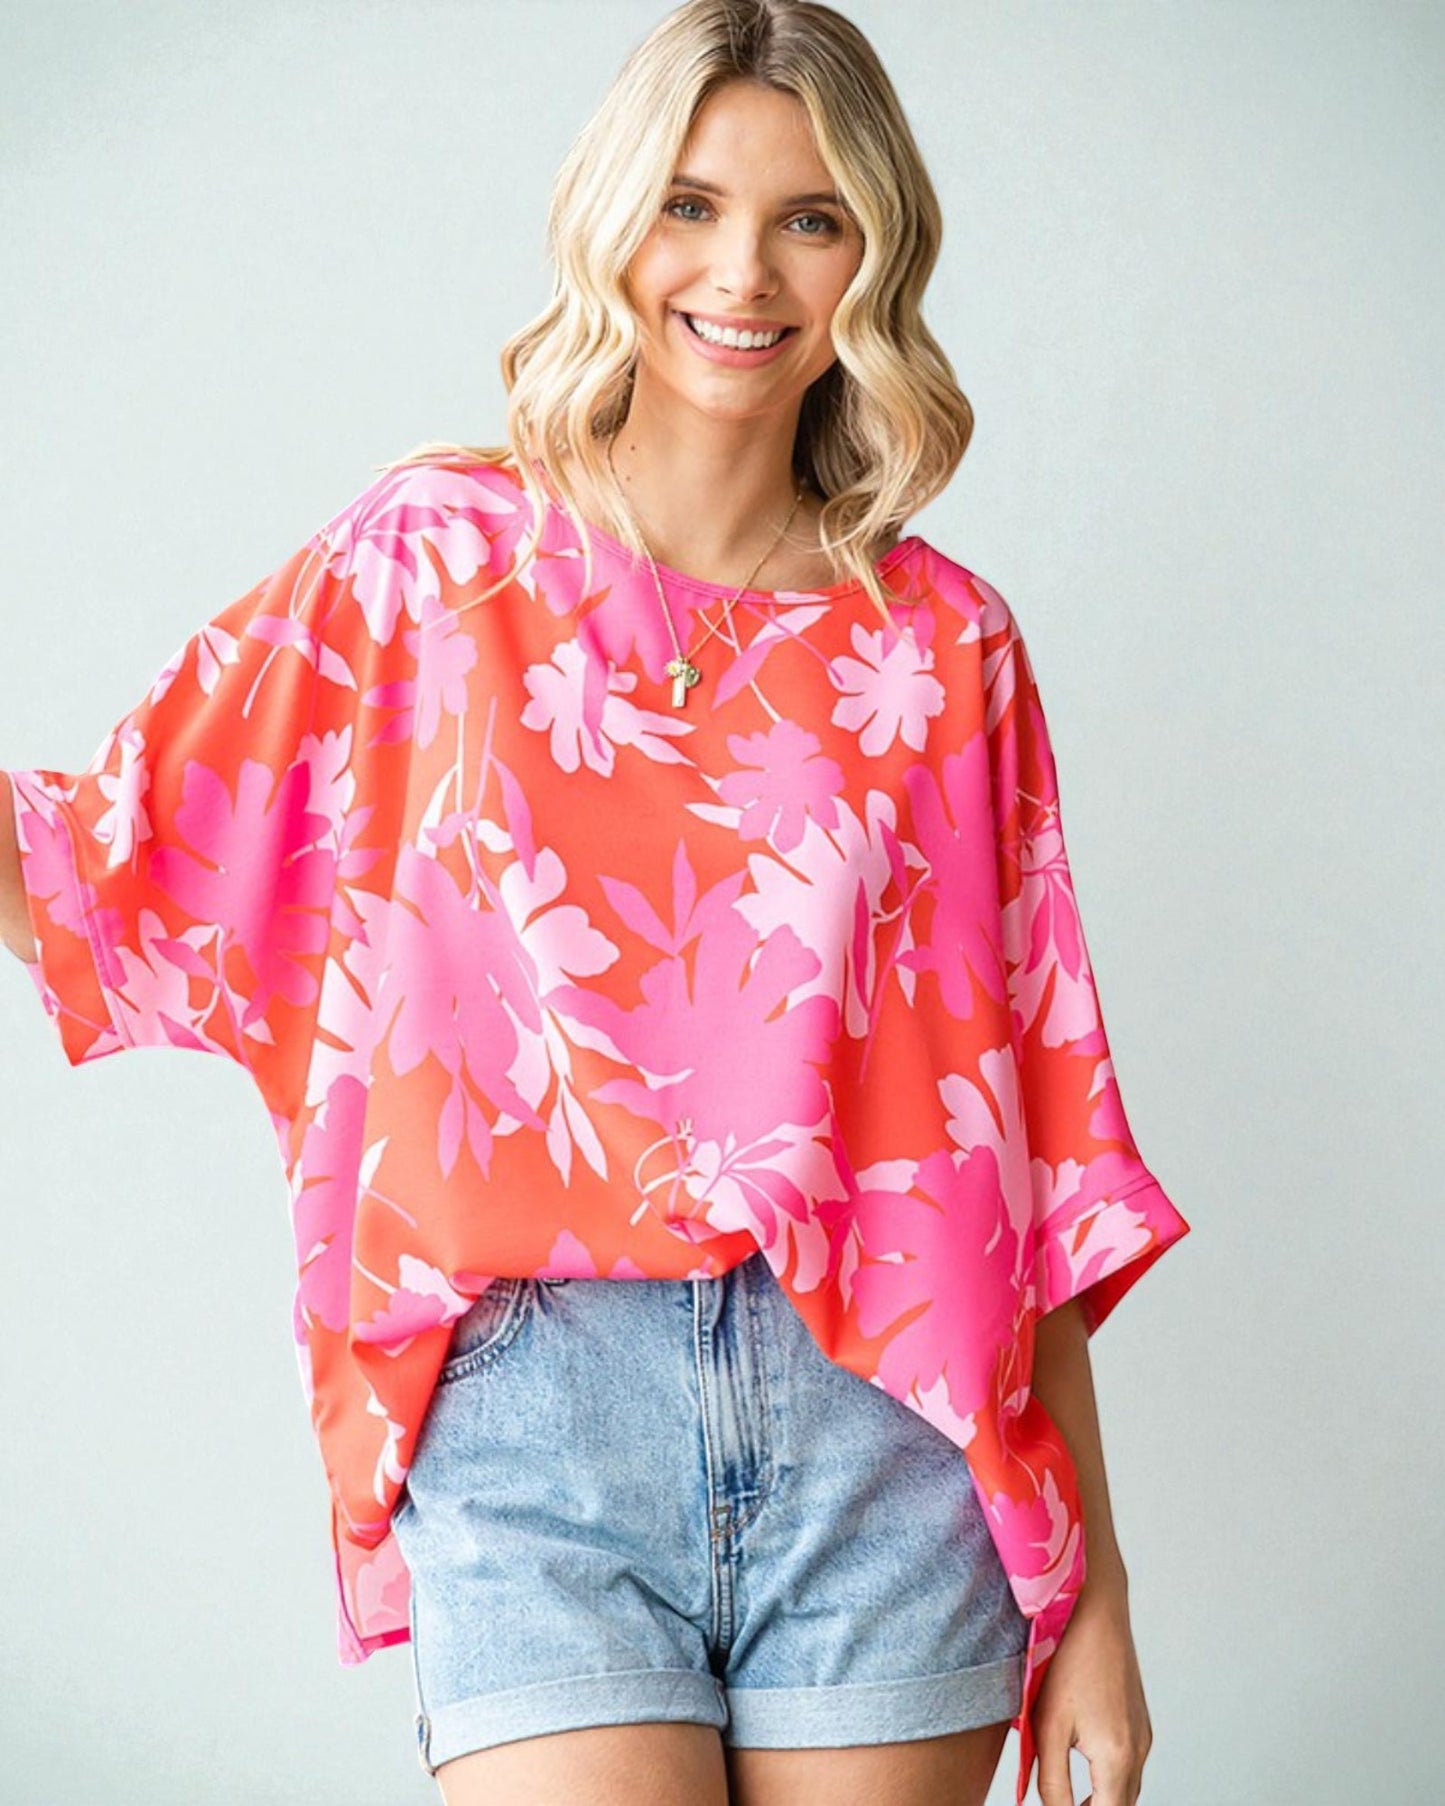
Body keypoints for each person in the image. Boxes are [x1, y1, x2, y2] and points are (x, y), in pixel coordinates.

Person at [0, 3, 1191, 1803]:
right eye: (690, 205)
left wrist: (1093, 1586)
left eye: (809, 216)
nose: (743, 270)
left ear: (874, 250)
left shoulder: (942, 649)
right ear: (613, 221)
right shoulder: (431, 566)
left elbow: (1020, 1144)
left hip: (885, 1439)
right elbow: (100, 855)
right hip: (536, 1419)